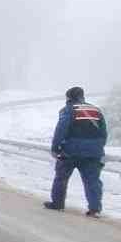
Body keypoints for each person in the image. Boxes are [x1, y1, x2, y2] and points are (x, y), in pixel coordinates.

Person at [45, 86, 108, 217]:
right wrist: (98, 147)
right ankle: (95, 209)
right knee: (92, 181)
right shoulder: (96, 110)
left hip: (71, 151)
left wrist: (55, 148)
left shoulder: (68, 110)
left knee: (61, 177)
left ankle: (57, 203)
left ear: (69, 98)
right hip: (93, 153)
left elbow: (61, 129)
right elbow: (103, 133)